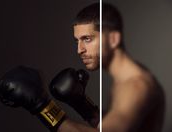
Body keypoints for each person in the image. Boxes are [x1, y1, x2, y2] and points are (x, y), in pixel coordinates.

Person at [57, 2, 165, 132]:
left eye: (87, 39)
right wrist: (83, 106)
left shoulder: (136, 87)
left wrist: (43, 107)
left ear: (113, 39)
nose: (79, 50)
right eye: (77, 41)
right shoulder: (125, 79)